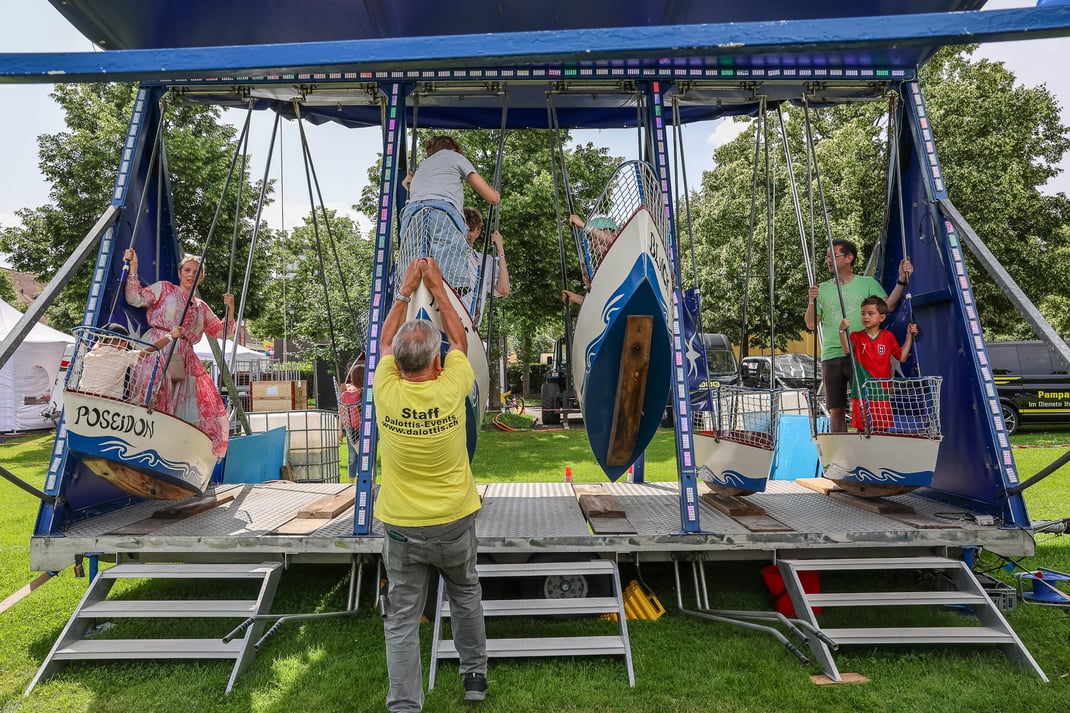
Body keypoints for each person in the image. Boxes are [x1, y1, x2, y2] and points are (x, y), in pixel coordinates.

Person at [374, 257, 487, 711]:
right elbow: (459, 337)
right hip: (455, 521)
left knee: (401, 618)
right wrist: (438, 287)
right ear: (438, 361)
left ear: (398, 366)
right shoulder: (451, 386)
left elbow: (383, 341)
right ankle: (474, 676)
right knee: (465, 595)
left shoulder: (386, 390)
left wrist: (405, 291)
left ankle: (405, 704)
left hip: (402, 527)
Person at [124, 248, 236, 458]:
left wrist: (230, 309)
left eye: (196, 271)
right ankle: (138, 441)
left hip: (183, 357)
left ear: (201, 277)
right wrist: (134, 267)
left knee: (180, 402)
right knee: (152, 391)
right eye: (187, 270)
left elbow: (224, 331)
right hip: (160, 345)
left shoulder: (201, 307)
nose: (191, 274)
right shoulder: (165, 289)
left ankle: (170, 448)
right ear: (180, 272)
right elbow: (134, 298)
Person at [803, 239, 913, 432]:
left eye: (833, 256)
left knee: (864, 403)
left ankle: (866, 445)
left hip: (862, 353)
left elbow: (888, 306)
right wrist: (812, 301)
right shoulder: (823, 289)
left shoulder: (867, 284)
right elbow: (811, 324)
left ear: (849, 258)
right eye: (827, 256)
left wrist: (901, 280)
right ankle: (841, 454)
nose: (828, 260)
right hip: (832, 354)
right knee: (835, 408)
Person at [399, 135, 499, 292]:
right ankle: (455, 289)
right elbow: (491, 197)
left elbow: (424, 196)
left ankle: (409, 289)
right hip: (443, 213)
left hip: (412, 215)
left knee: (413, 259)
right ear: (455, 149)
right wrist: (497, 196)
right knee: (449, 263)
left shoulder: (422, 167)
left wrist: (409, 186)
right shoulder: (455, 157)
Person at [838, 295, 919, 432]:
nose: (866, 317)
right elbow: (847, 350)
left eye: (871, 313)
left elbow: (902, 357)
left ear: (882, 318)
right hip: (861, 393)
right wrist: (841, 331)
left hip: (881, 393)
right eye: (863, 313)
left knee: (881, 430)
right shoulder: (856, 336)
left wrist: (909, 336)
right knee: (863, 430)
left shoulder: (888, 336)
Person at [77, 323, 184, 400]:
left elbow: (98, 346)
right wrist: (170, 336)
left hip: (83, 397)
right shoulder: (123, 356)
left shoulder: (90, 356)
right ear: (123, 343)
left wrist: (103, 338)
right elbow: (151, 348)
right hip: (108, 401)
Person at [462, 207, 510, 325]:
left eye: (471, 230)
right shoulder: (443, 253)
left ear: (478, 232)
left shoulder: (485, 261)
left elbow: (503, 289)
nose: (466, 233)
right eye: (464, 228)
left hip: (468, 327)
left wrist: (500, 249)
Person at [338, 360, 365, 482]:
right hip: (352, 430)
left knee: (363, 458)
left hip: (362, 429)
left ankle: (367, 480)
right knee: (353, 457)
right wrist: (340, 430)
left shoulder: (365, 393)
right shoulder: (345, 394)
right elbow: (342, 413)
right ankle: (351, 483)